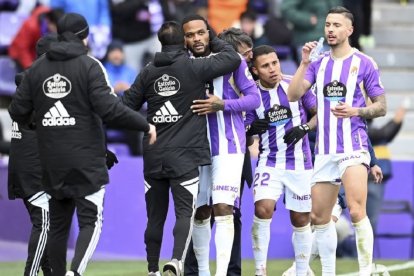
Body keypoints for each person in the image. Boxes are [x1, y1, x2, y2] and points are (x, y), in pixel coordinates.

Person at [8, 13, 156, 276]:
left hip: (51, 161)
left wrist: (41, 122)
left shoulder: (36, 69)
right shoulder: (90, 65)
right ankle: (75, 273)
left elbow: (18, 111)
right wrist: (143, 124)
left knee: (58, 226)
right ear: (84, 36)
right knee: (91, 220)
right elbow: (109, 109)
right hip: (85, 160)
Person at [121, 21, 241, 276]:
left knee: (154, 218)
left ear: (160, 41)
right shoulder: (195, 67)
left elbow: (125, 106)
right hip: (185, 156)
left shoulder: (147, 72)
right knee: (185, 213)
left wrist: (146, 125)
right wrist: (212, 36)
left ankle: (152, 270)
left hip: (154, 155)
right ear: (183, 41)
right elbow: (232, 57)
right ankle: (176, 261)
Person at [287, 6, 387, 275]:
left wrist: (356, 111)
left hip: (353, 146)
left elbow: (381, 107)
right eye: (328, 24)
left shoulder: (364, 63)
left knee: (355, 211)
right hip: (325, 150)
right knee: (319, 218)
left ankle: (366, 270)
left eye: (336, 25)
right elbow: (293, 95)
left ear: (349, 30)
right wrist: (304, 62)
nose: (330, 29)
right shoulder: (318, 64)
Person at [182, 16, 260, 276]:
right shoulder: (181, 64)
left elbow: (254, 98)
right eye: (190, 35)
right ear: (185, 39)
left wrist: (222, 105)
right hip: (194, 147)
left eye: (200, 33)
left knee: (224, 208)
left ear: (209, 34)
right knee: (201, 211)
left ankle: (222, 273)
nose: (196, 39)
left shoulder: (231, 61)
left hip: (229, 144)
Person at [245, 45, 317, 276]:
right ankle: (260, 271)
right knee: (263, 209)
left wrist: (305, 127)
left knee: (300, 218)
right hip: (269, 161)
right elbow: (244, 135)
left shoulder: (294, 84)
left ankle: (302, 271)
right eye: (266, 66)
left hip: (300, 162)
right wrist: (250, 130)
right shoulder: (251, 95)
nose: (273, 69)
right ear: (255, 71)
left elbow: (320, 114)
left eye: (275, 63)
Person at [7, 33, 58, 276]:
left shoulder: (25, 83)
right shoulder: (43, 86)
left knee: (46, 223)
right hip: (34, 168)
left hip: (21, 167)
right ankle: (31, 272)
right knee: (45, 224)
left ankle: (48, 271)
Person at [366, 101, 408, 233]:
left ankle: (363, 253)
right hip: (364, 178)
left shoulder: (371, 128)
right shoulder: (361, 128)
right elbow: (384, 133)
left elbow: (385, 135)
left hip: (374, 180)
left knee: (370, 220)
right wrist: (398, 117)